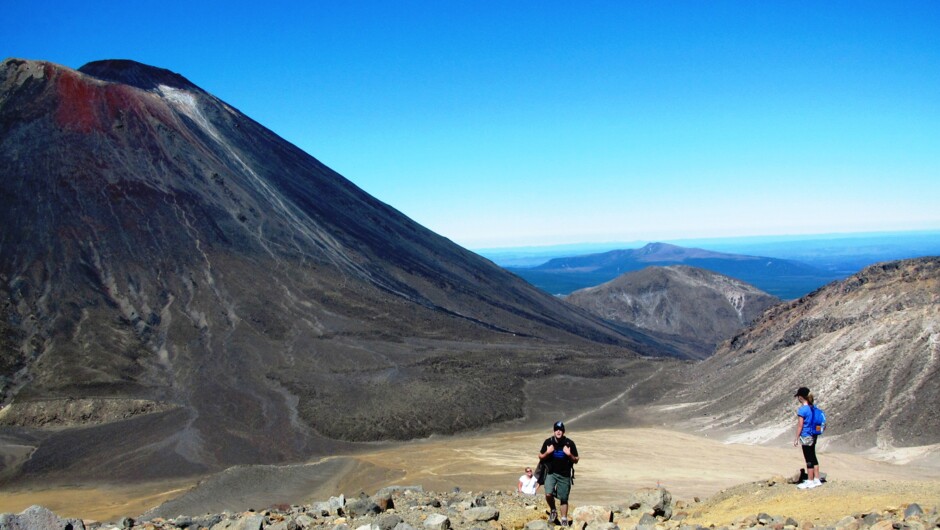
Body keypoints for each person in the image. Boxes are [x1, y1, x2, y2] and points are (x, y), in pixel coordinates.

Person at [539, 420, 579, 526]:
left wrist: (569, 454)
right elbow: (540, 456)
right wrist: (548, 452)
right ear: (553, 431)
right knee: (548, 493)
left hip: (565, 474)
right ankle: (553, 510)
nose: (558, 431)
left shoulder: (569, 443)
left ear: (563, 431)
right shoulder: (548, 442)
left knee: (564, 498)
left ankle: (564, 519)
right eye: (556, 429)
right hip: (551, 472)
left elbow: (576, 459)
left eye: (560, 430)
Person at [793, 386, 823, 489]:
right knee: (813, 456)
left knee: (808, 458)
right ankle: (817, 479)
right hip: (814, 434)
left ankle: (810, 481)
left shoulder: (803, 410)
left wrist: (796, 438)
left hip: (806, 436)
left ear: (801, 397)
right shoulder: (813, 408)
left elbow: (800, 425)